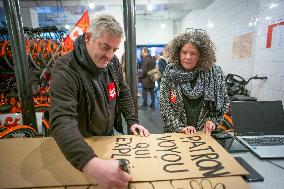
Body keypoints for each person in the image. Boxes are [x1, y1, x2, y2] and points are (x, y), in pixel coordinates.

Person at [49, 14, 150, 189]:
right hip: (80, 144)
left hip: (106, 137)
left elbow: (123, 91)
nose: (110, 55)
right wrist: (90, 163)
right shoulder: (66, 69)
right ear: (88, 38)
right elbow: (61, 120)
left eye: (114, 49)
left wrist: (132, 121)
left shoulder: (112, 63)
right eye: (105, 47)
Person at [159, 30, 229, 134]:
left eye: (193, 53)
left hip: (204, 135)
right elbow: (164, 103)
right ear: (178, 53)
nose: (187, 57)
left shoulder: (214, 74)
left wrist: (212, 120)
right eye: (184, 52)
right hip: (176, 134)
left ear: (201, 56)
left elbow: (223, 102)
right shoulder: (170, 72)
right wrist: (179, 127)